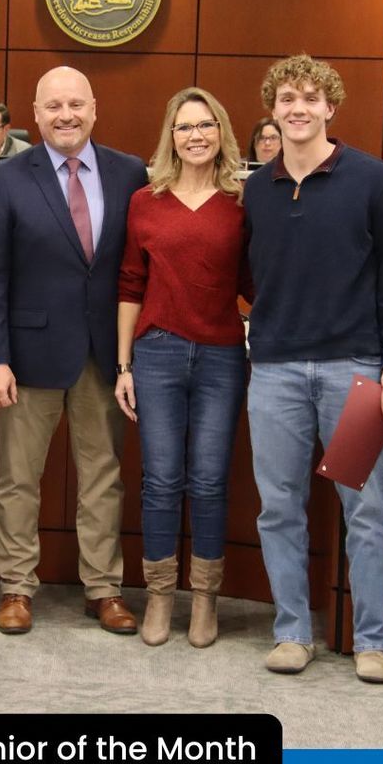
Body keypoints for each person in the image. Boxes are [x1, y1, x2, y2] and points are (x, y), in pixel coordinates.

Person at [242, 54, 383, 682]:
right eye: (287, 98)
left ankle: (373, 643)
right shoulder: (256, 189)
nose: (298, 109)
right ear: (273, 109)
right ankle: (292, 632)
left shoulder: (373, 179)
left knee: (364, 510)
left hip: (357, 371)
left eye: (310, 98)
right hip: (276, 373)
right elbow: (249, 274)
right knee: (279, 507)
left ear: (330, 108)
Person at [0, 65, 148, 635]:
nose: (66, 115)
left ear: (94, 109)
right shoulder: (7, 177)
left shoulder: (130, 172)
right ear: (36, 113)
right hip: (28, 356)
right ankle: (16, 586)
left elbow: (136, 267)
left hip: (105, 354)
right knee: (18, 478)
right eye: (53, 106)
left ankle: (104, 588)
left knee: (103, 475)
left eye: (75, 104)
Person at [116, 87, 252, 648]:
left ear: (221, 132)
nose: (196, 135)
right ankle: (159, 597)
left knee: (211, 481)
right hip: (157, 354)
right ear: (170, 136)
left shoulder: (243, 201)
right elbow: (130, 284)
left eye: (205, 125)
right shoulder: (145, 201)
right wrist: (124, 364)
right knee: (161, 480)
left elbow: (257, 283)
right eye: (185, 126)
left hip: (222, 356)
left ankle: (204, 599)